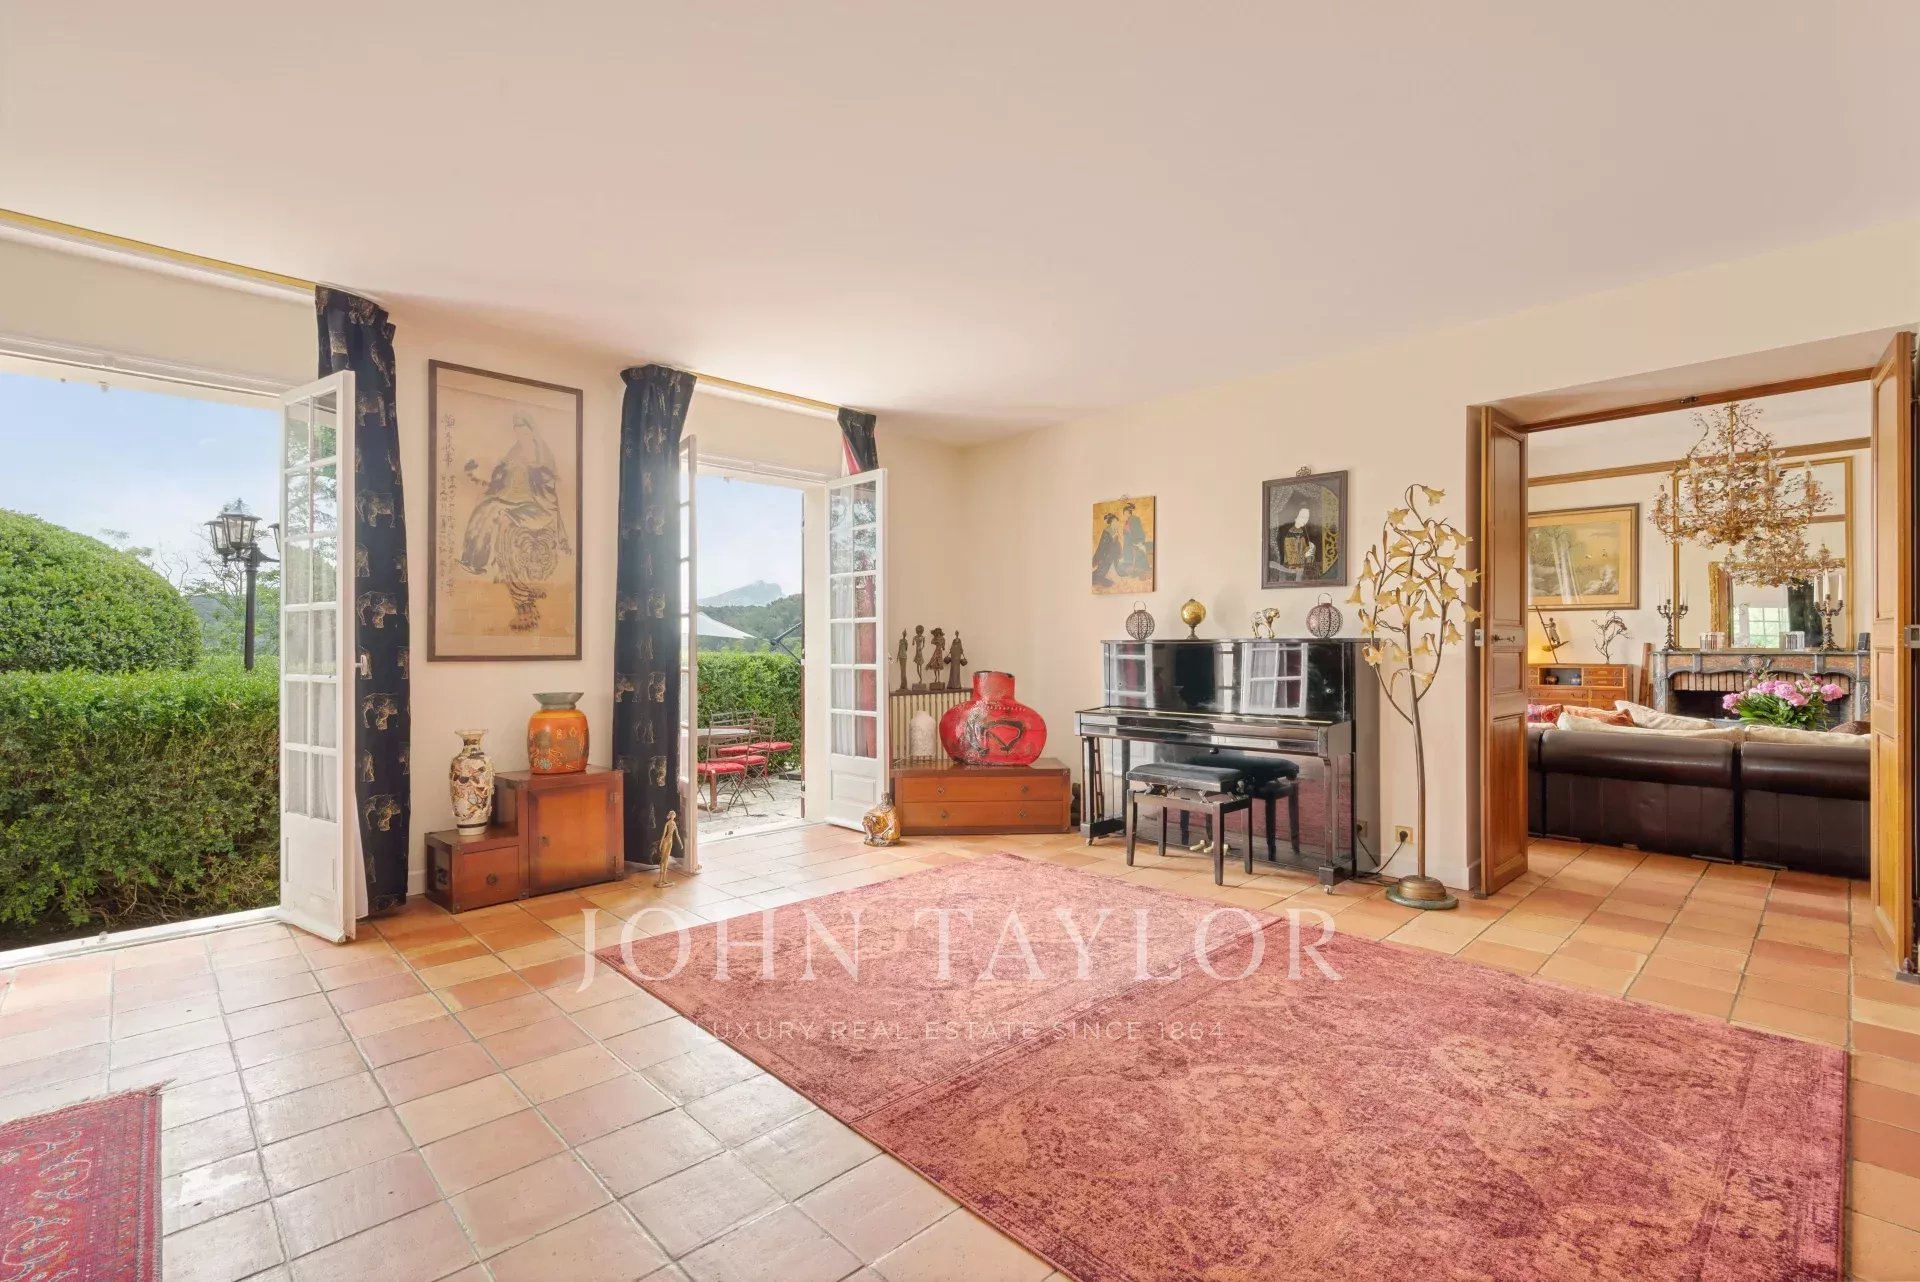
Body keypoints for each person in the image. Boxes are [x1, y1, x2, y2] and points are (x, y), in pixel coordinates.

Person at [459, 414, 570, 631]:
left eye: (523, 428)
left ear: (531, 430)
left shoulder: (542, 451)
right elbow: (502, 476)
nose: (519, 432)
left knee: (496, 510)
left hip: (536, 505)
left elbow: (548, 483)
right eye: (516, 428)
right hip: (513, 498)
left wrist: (532, 468)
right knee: (485, 508)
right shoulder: (515, 449)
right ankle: (474, 560)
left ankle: (483, 564)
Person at [1119, 501, 1149, 577]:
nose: (1125, 515)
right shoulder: (1127, 522)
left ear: (1129, 512)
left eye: (1125, 513)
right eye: (1124, 514)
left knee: (1136, 556)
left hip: (1135, 542)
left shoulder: (1134, 519)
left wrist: (1138, 541)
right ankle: (1131, 571)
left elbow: (1138, 531)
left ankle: (1139, 571)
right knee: (1128, 558)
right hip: (1128, 543)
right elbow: (1126, 533)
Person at [1092, 512, 1123, 587]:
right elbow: (1102, 546)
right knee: (1099, 575)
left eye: (1116, 522)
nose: (1116, 524)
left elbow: (1117, 544)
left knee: (1118, 575)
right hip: (1106, 557)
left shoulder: (1115, 532)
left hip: (1113, 556)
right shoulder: (1106, 532)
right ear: (1111, 523)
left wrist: (1119, 552)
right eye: (1114, 522)